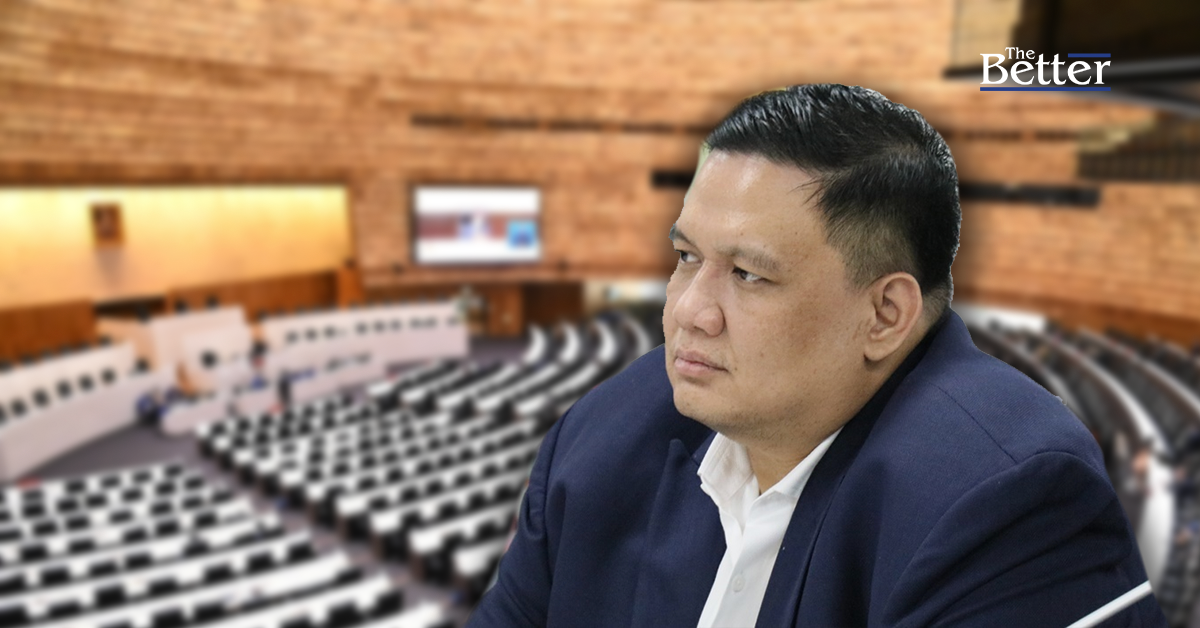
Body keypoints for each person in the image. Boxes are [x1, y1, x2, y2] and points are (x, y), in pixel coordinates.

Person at [469, 84, 1165, 627]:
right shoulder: (602, 439)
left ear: (884, 315)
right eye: (686, 258)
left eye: (749, 275)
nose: (688, 311)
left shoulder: (1008, 499)